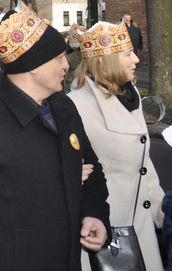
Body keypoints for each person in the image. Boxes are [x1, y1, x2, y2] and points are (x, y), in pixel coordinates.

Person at [0, 1, 110, 271]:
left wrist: (94, 213)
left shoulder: (64, 107)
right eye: (58, 58)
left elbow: (92, 168)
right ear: (33, 64)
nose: (67, 65)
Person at [68, 22, 165, 271]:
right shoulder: (75, 106)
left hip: (142, 225)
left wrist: (162, 214)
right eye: (127, 53)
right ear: (103, 60)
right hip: (106, 233)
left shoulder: (129, 95)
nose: (136, 59)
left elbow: (143, 165)